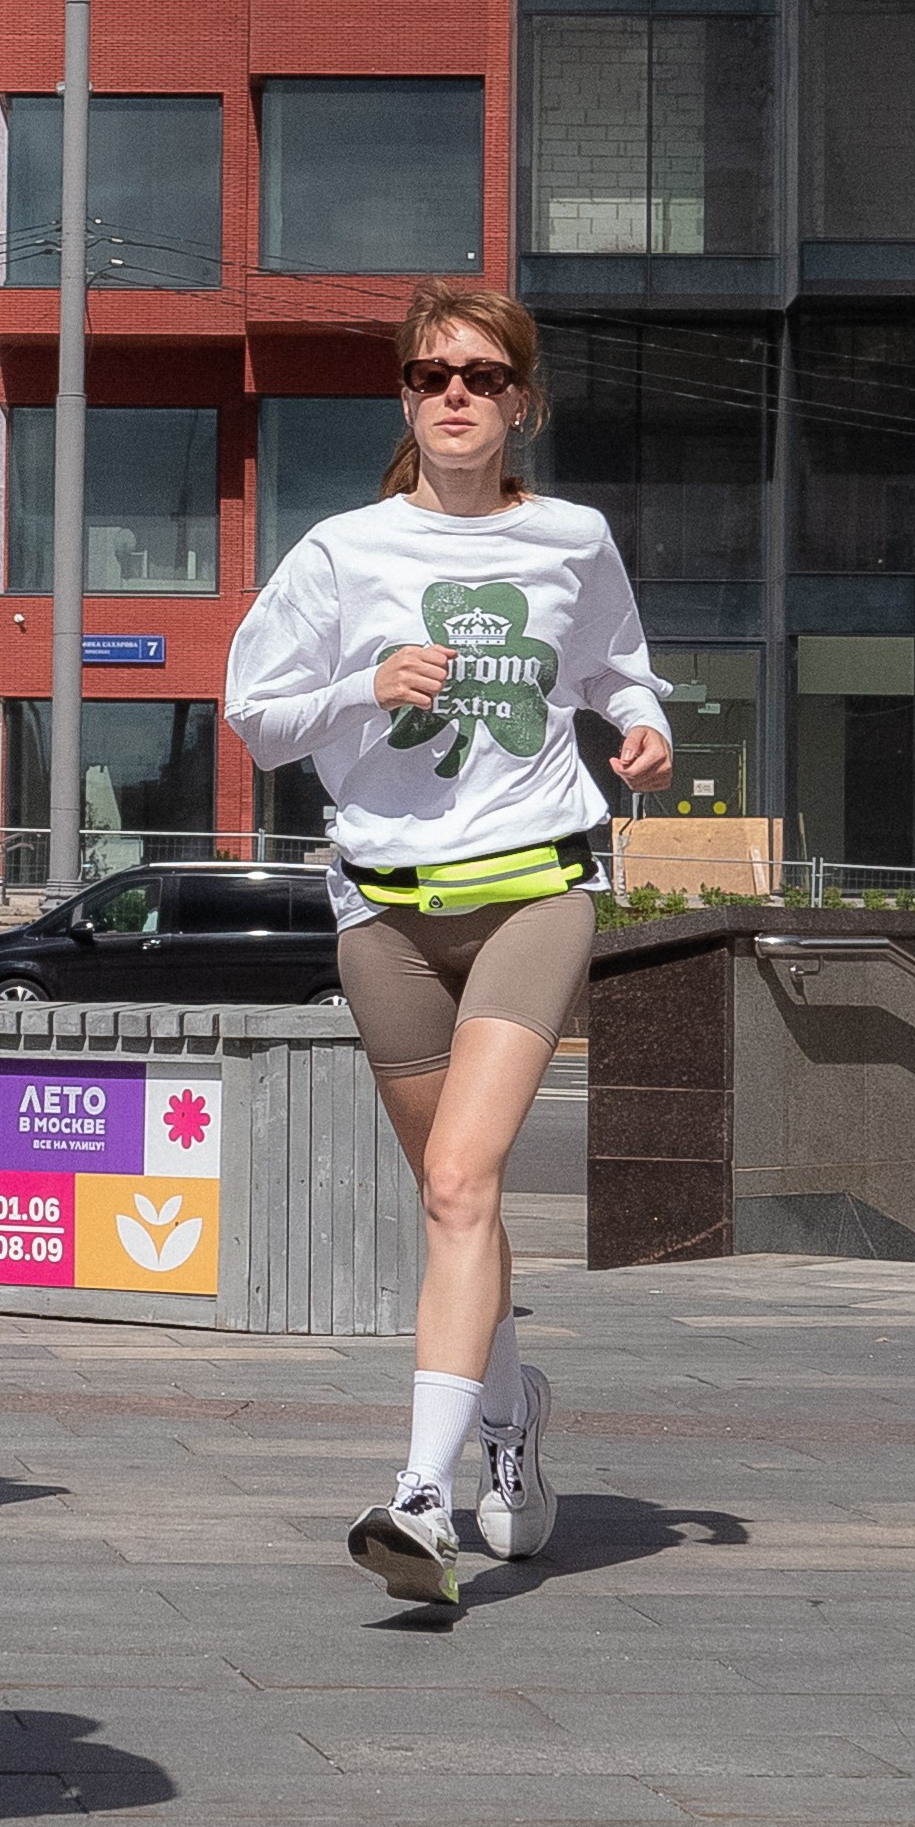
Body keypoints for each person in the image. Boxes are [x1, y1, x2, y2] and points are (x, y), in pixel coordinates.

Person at [225, 280, 670, 1617]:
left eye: (481, 374)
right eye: (431, 376)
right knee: (454, 1204)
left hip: (536, 886)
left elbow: (615, 666)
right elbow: (254, 715)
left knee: (465, 1179)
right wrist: (367, 683)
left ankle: (421, 1499)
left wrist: (641, 718)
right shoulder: (341, 553)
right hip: (385, 910)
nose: (457, 395)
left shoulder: (574, 539)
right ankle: (513, 1407)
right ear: (407, 400)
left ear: (520, 399)